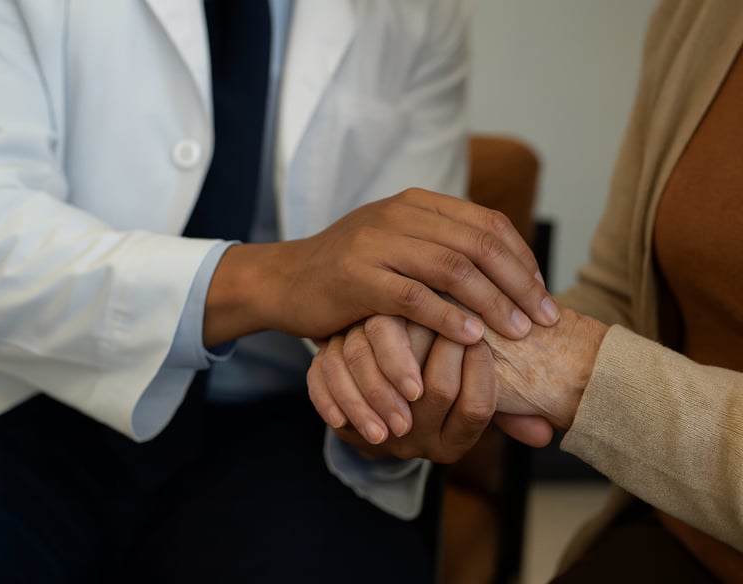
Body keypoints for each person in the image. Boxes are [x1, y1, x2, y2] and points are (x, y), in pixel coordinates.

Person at [0, 1, 564, 582]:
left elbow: (409, 270)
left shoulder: (417, 11)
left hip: (287, 419)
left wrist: (385, 372)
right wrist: (279, 278)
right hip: (27, 387)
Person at [307, 1, 743, 582]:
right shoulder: (701, 15)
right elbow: (620, 294)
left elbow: (579, 355)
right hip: (678, 530)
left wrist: (580, 372)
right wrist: (425, 338)